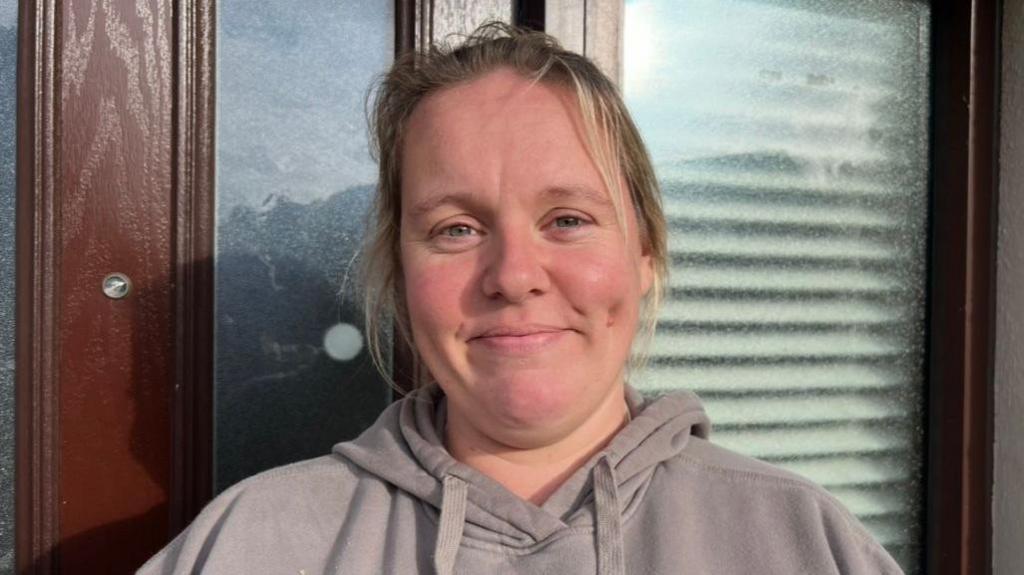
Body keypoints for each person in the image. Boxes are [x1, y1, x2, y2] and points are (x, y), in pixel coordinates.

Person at [139, 23, 903, 575]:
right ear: (400, 275)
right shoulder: (253, 543)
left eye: (567, 219)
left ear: (644, 254)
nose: (513, 274)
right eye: (457, 228)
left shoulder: (805, 543)